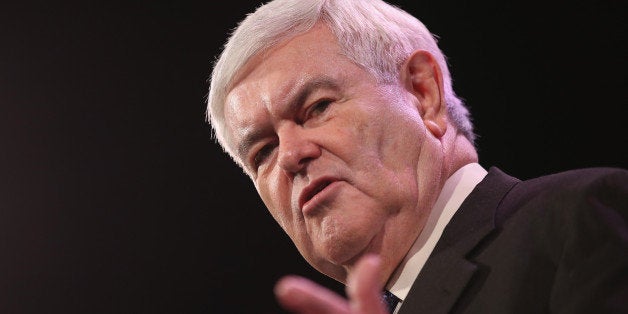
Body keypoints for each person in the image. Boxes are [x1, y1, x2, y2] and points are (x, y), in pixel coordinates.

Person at [205, 0, 628, 313]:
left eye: (317, 108)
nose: (291, 156)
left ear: (423, 93)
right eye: (263, 150)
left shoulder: (580, 220)